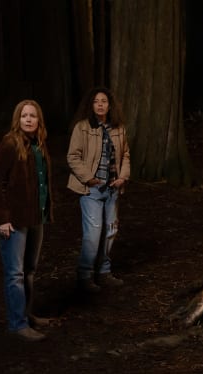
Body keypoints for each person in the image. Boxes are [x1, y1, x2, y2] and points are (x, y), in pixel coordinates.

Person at [0, 100, 54, 342]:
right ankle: (17, 324)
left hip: (35, 217)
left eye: (33, 115)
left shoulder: (39, 145)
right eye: (24, 116)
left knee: (29, 270)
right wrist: (2, 219)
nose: (28, 119)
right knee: (15, 273)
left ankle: (26, 315)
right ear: (17, 119)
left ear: (39, 120)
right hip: (15, 221)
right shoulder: (9, 145)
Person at [67, 87, 130, 293]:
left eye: (104, 101)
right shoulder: (82, 128)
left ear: (109, 105)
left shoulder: (118, 128)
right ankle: (85, 276)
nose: (100, 104)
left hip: (112, 189)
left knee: (111, 231)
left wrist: (123, 177)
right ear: (91, 105)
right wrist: (89, 178)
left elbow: (125, 155)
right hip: (91, 190)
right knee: (93, 233)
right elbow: (73, 157)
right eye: (96, 101)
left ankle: (104, 272)